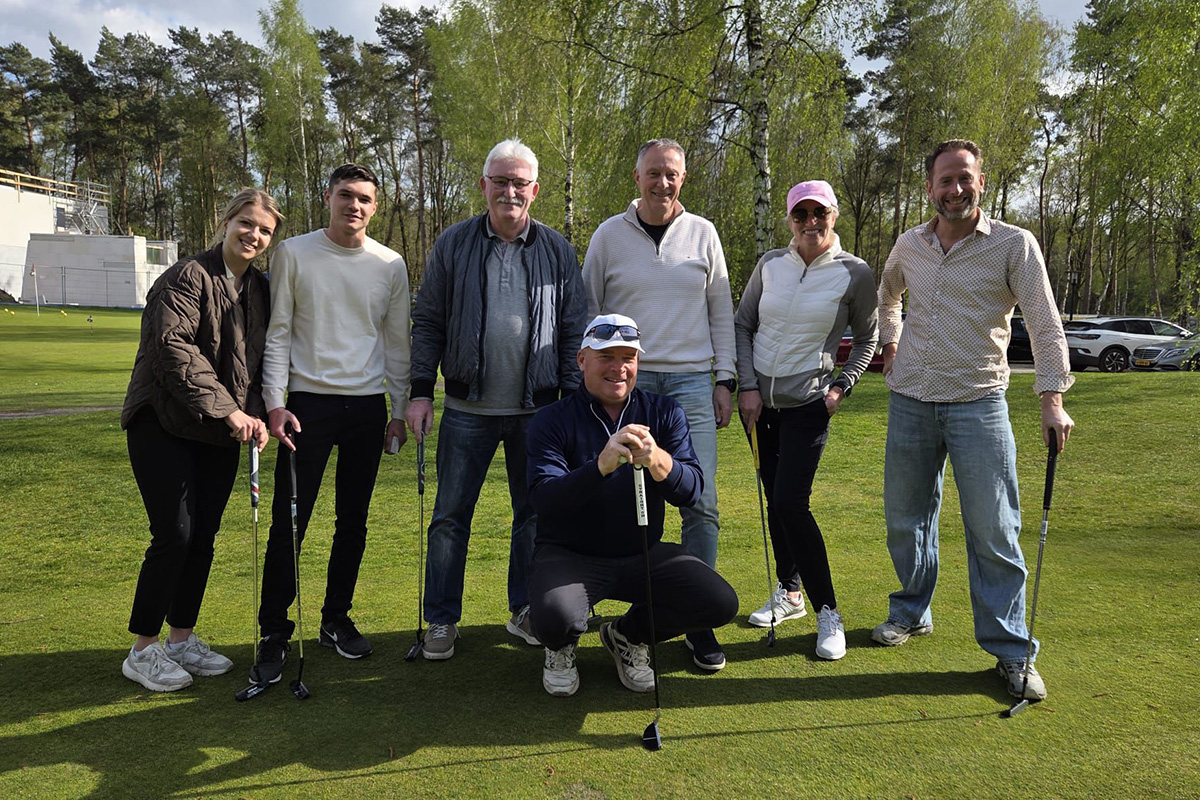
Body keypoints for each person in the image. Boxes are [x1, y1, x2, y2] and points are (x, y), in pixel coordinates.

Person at [874, 139, 1075, 700]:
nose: (954, 190)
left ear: (981, 182)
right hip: (910, 399)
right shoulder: (909, 244)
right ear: (930, 187)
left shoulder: (1015, 245)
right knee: (906, 520)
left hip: (979, 404)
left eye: (965, 178)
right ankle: (912, 610)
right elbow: (888, 294)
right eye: (945, 181)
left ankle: (1011, 652)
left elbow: (1045, 324)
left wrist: (1051, 397)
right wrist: (889, 341)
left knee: (994, 530)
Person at [406, 139, 586, 661]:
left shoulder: (555, 249)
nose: (510, 191)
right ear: (484, 185)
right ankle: (441, 619)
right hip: (467, 412)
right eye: (500, 181)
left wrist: (574, 404)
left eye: (520, 182)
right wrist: (421, 393)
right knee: (448, 518)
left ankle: (524, 610)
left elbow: (574, 327)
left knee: (533, 517)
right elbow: (429, 323)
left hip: (540, 414)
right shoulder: (453, 243)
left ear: (535, 190)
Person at [250, 163, 411, 685]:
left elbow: (396, 344)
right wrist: (274, 402)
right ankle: (274, 630)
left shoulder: (390, 263)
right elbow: (277, 333)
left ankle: (335, 618)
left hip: (366, 408)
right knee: (288, 522)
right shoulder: (294, 252)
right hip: (305, 406)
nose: (354, 206)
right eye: (346, 195)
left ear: (376, 206)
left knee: (354, 522)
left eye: (365, 198)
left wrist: (398, 409)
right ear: (328, 196)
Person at [582, 138, 737, 671]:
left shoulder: (704, 234)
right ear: (637, 176)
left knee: (700, 502)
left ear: (683, 178)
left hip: (694, 382)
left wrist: (726, 378)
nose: (662, 183)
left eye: (671, 174)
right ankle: (628, 614)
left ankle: (697, 621)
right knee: (631, 502)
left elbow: (721, 310)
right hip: (630, 384)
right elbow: (590, 312)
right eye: (653, 173)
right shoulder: (607, 235)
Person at [526, 314, 739, 696]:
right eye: (606, 356)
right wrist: (601, 466)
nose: (618, 368)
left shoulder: (664, 412)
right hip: (571, 555)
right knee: (556, 617)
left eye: (628, 357)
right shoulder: (551, 420)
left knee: (718, 602)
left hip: (642, 550)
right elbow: (546, 500)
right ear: (581, 360)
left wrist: (659, 460)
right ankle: (559, 647)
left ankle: (627, 635)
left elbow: (691, 491)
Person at [120, 188, 281, 691]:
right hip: (161, 422)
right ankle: (142, 650)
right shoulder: (187, 276)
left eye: (265, 230)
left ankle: (180, 639)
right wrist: (231, 412)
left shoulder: (260, 288)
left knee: (204, 537)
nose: (254, 235)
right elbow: (174, 351)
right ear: (227, 221)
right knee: (176, 535)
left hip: (216, 431)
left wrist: (257, 415)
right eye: (247, 223)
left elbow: (255, 365)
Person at [734, 180, 878, 661]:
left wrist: (841, 387)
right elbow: (743, 324)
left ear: (834, 215)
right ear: (790, 219)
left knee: (792, 504)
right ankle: (790, 592)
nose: (810, 223)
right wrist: (748, 387)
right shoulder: (770, 264)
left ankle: (827, 610)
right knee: (776, 503)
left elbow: (866, 340)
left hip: (808, 405)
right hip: (758, 408)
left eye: (820, 213)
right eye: (801, 215)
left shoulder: (854, 273)